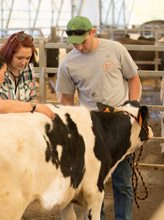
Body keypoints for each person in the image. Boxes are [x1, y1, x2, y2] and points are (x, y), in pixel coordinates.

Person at [56, 16, 141, 220]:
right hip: (91, 128)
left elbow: (133, 78)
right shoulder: (67, 63)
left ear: (92, 32)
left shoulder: (116, 49)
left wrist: (133, 105)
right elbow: (66, 99)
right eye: (74, 43)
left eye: (82, 41)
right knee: (93, 183)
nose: (79, 47)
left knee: (123, 181)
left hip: (120, 122)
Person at [0, 31, 38, 102]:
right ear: (9, 53)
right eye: (19, 58)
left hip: (24, 112)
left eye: (28, 58)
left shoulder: (29, 68)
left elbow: (33, 98)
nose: (24, 62)